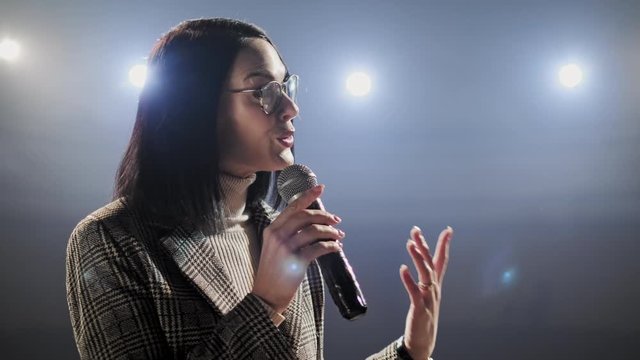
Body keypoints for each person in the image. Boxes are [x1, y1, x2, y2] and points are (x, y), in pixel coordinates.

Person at [65, 18, 453, 360]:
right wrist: (265, 303)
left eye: (286, 87)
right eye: (262, 90)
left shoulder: (285, 236)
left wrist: (410, 351)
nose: (290, 108)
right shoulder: (110, 239)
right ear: (196, 104)